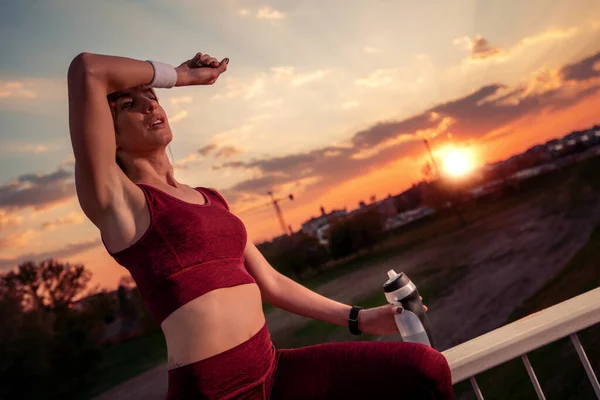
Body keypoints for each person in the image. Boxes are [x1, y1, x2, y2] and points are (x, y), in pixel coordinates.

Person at [67, 51, 453, 400]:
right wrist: (181, 77)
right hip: (214, 393)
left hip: (275, 370)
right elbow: (87, 69)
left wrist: (360, 318)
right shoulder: (120, 202)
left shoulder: (211, 198)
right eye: (129, 105)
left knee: (424, 369)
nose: (150, 105)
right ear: (108, 136)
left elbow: (271, 282)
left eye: (152, 97)